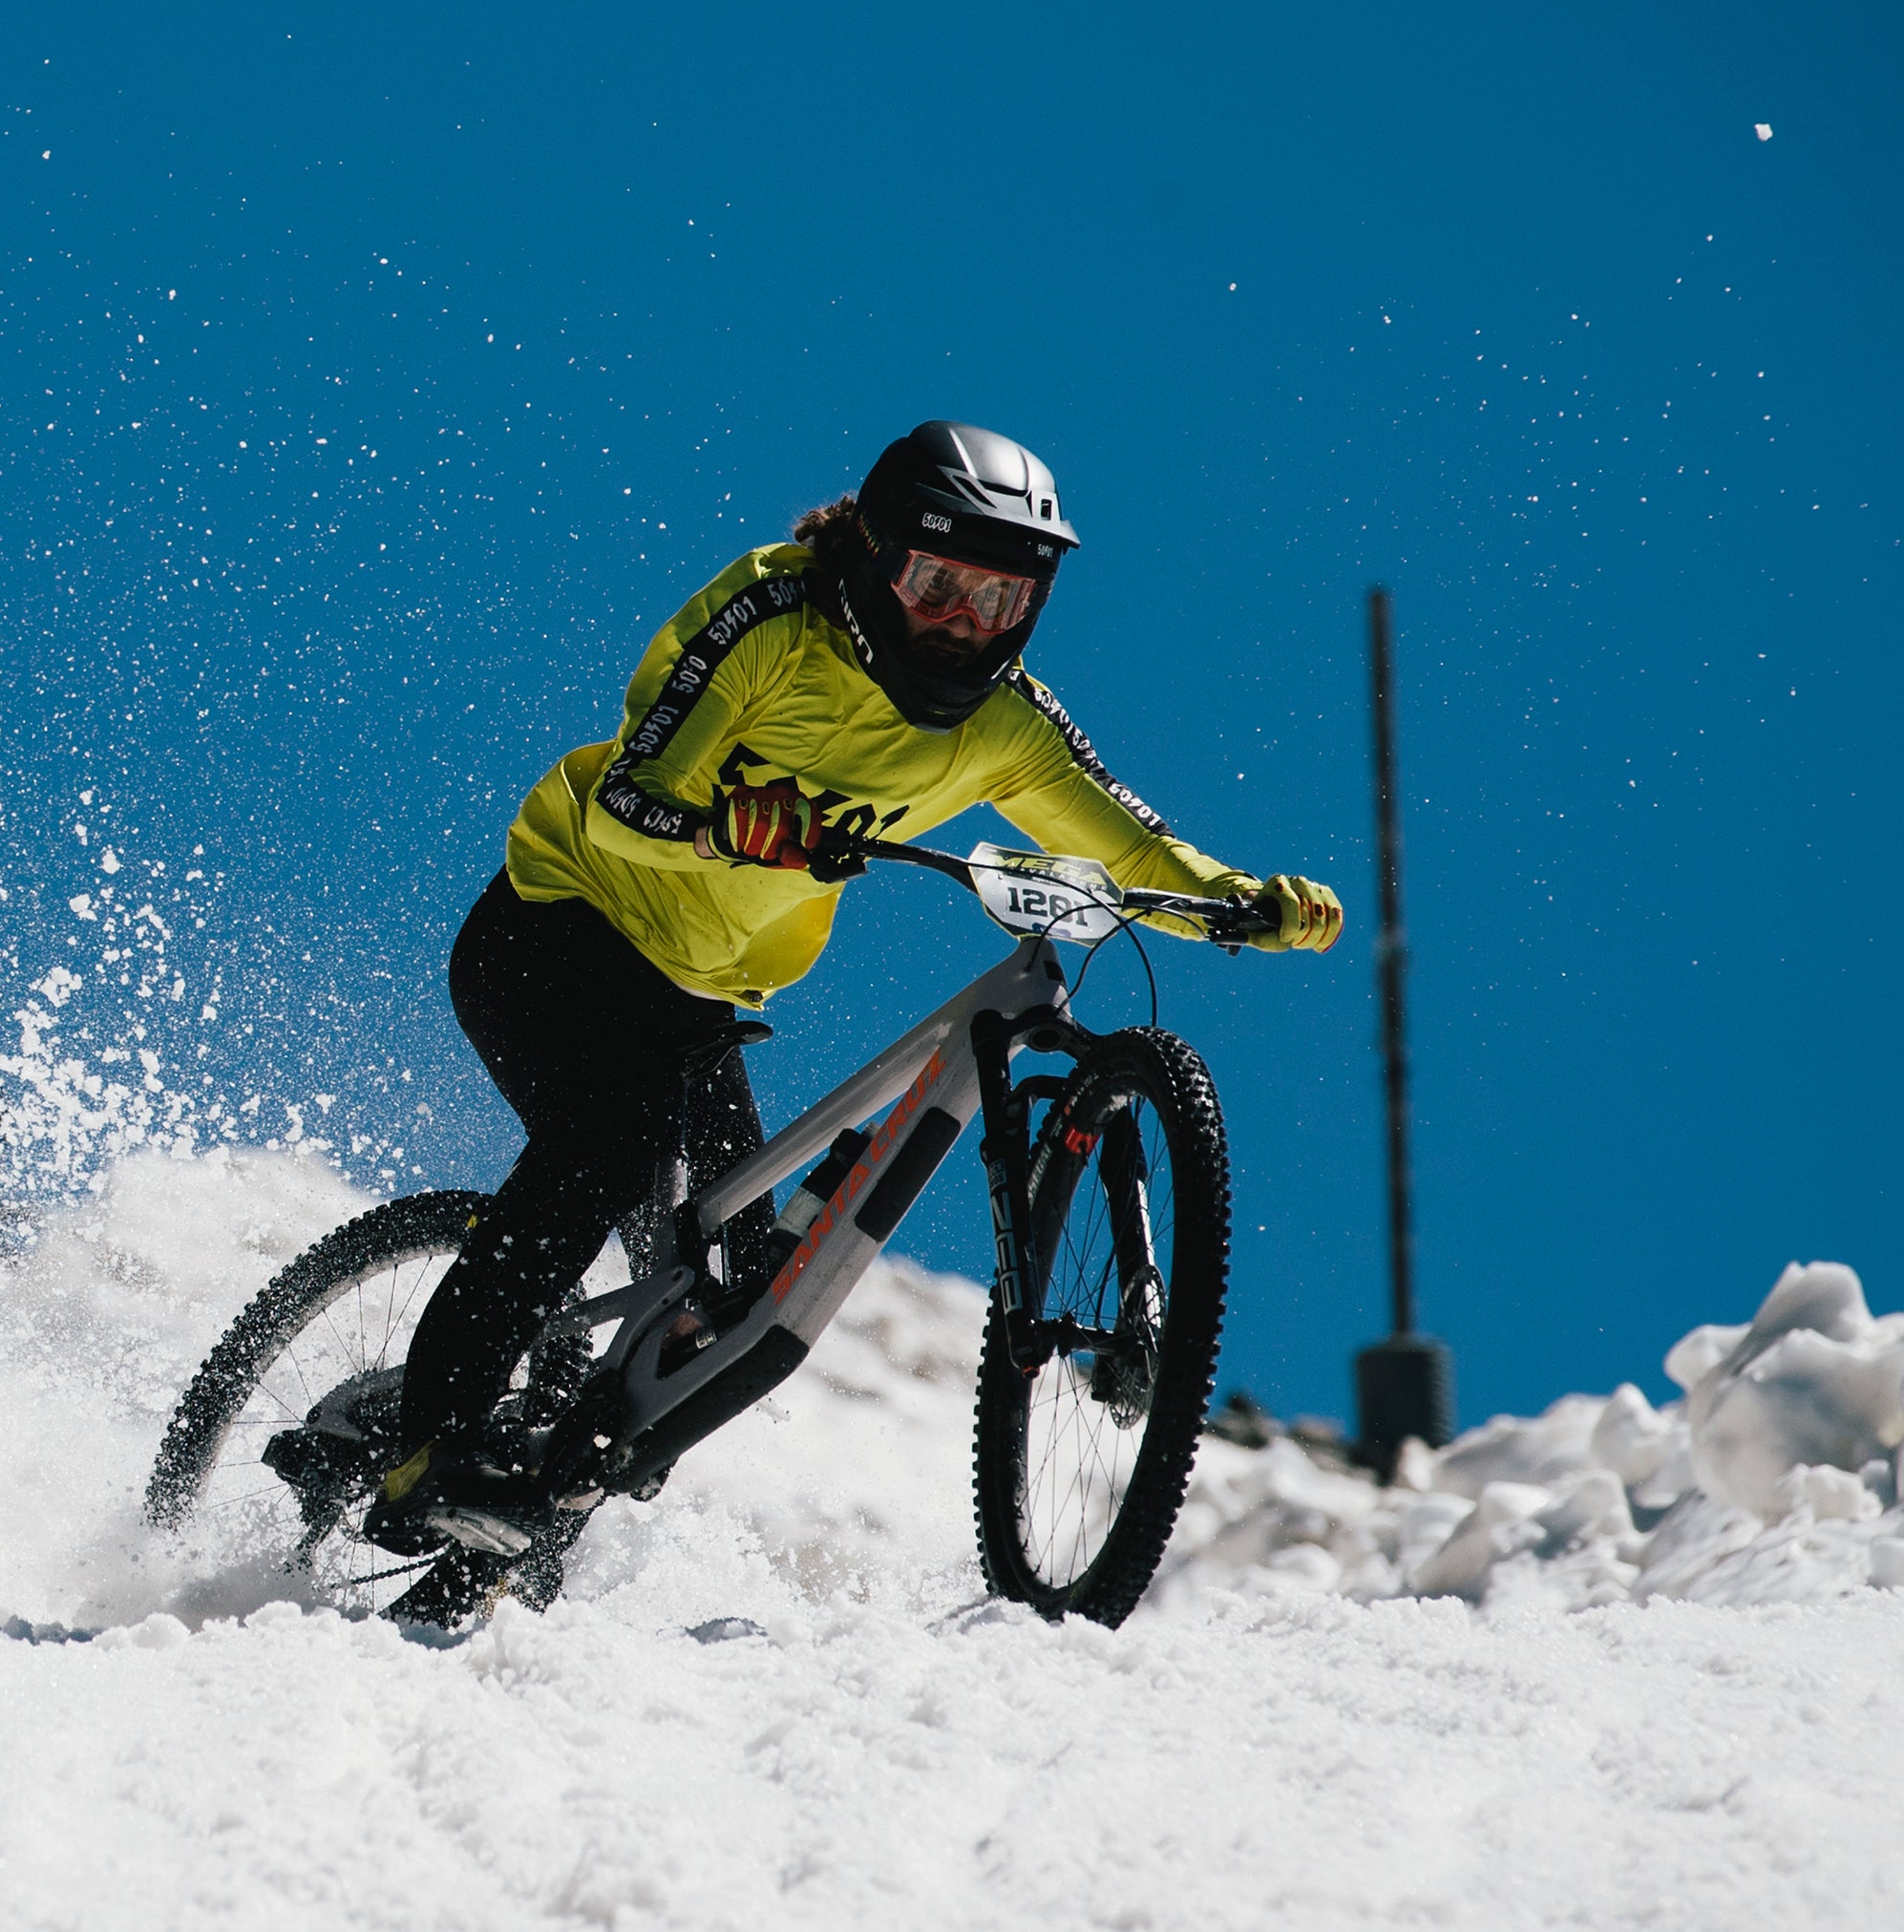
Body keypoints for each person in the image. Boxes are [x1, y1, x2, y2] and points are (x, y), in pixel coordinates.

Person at [359, 421, 1345, 1552]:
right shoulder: (773, 622)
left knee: (733, 1294)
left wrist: (1241, 901)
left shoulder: (1001, 722)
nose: (968, 623)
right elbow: (630, 797)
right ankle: (424, 1454)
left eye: (1003, 600)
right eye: (939, 585)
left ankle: (541, 1494)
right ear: (876, 558)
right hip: (560, 929)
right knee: (607, 1147)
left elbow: (1133, 847)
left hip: (698, 998)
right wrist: (736, 828)